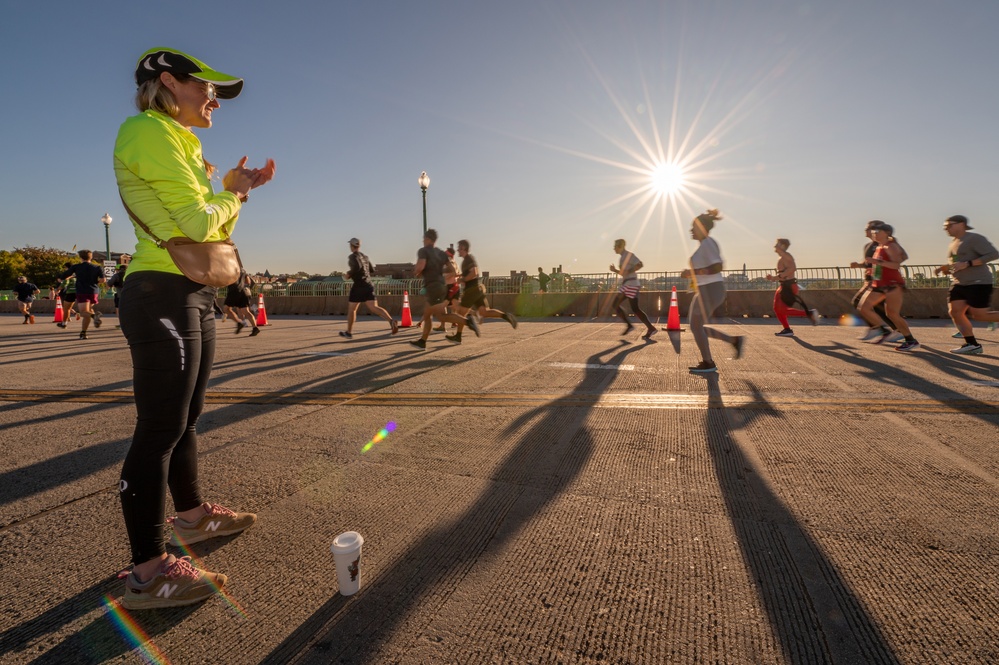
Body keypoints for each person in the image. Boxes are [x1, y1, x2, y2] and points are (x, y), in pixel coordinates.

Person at [114, 47, 276, 610]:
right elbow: (196, 222)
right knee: (160, 427)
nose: (214, 99)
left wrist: (233, 190)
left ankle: (191, 517)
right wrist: (232, 191)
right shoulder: (147, 131)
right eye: (205, 88)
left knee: (186, 416)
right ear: (167, 82)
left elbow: (207, 223)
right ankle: (147, 574)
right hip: (160, 289)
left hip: (191, 289)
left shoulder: (184, 143)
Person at [681, 209, 744, 373]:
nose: (690, 230)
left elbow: (717, 267)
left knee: (696, 326)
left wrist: (692, 273)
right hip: (703, 290)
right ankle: (732, 341)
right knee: (696, 326)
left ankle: (708, 362)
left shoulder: (708, 243)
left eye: (693, 227)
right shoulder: (704, 246)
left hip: (711, 289)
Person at [934, 215, 999, 355]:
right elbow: (957, 264)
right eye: (945, 226)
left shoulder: (974, 238)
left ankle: (972, 344)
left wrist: (968, 264)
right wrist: (945, 268)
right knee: (955, 312)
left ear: (961, 224)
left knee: (980, 316)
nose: (946, 229)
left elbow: (993, 254)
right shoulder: (953, 242)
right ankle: (972, 344)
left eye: (949, 225)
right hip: (959, 283)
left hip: (978, 282)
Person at [410, 229, 477, 349]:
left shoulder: (423, 251)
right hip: (442, 286)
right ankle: (422, 341)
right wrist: (439, 272)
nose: (423, 240)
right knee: (427, 314)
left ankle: (468, 322)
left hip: (432, 287)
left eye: (424, 238)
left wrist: (416, 272)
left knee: (440, 316)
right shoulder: (441, 253)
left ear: (428, 239)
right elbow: (453, 269)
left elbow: (420, 267)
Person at [857, 223, 919, 351]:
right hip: (879, 283)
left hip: (892, 284)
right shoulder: (880, 247)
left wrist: (876, 262)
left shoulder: (891, 246)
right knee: (863, 307)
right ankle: (883, 331)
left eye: (877, 230)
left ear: (886, 232)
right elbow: (882, 265)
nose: (874, 232)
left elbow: (896, 265)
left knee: (892, 314)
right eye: (873, 230)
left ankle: (910, 340)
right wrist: (873, 270)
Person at [446, 239, 517, 344]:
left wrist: (464, 280)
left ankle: (458, 336)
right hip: (477, 289)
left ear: (464, 248)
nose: (458, 250)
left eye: (459, 248)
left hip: (471, 290)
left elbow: (474, 272)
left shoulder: (468, 259)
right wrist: (461, 277)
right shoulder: (469, 259)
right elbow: (473, 273)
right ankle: (506, 316)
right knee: (484, 312)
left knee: (461, 314)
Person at [850, 221, 903, 343]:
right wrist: (858, 265)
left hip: (880, 281)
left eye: (870, 229)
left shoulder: (884, 245)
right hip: (872, 280)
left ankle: (883, 329)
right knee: (878, 308)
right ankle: (888, 330)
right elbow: (869, 262)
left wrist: (875, 276)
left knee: (861, 303)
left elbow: (885, 262)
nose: (867, 231)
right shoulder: (869, 246)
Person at [341, 237, 398, 338]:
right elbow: (371, 269)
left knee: (352, 310)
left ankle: (349, 332)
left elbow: (357, 267)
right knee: (374, 307)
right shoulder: (365, 257)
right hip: (368, 285)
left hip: (358, 286)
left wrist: (348, 275)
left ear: (351, 246)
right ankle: (391, 321)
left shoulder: (352, 257)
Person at [766, 238, 819, 337]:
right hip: (783, 286)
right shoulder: (782, 258)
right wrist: (773, 278)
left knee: (782, 309)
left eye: (777, 244)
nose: (775, 246)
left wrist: (779, 277)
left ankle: (809, 313)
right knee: (777, 309)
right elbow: (784, 273)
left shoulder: (787, 256)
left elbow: (792, 269)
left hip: (789, 286)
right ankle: (787, 329)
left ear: (782, 246)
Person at [609, 239, 656, 339]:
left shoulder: (629, 255)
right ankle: (649, 328)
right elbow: (623, 273)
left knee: (620, 305)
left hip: (631, 284)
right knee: (633, 308)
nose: (614, 249)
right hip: (628, 284)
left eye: (615, 246)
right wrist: (615, 270)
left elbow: (640, 264)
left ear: (620, 246)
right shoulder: (622, 258)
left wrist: (628, 271)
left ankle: (633, 326)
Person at [58, 250, 106, 339]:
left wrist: (61, 279)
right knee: (87, 311)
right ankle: (83, 333)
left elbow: (65, 275)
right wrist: (95, 282)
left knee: (83, 312)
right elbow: (103, 280)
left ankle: (94, 316)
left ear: (80, 257)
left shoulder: (76, 267)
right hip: (94, 291)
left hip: (82, 291)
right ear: (91, 257)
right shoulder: (98, 267)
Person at [433, 246, 460, 333]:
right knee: (454, 306)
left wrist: (444, 279)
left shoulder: (449, 262)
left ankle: (443, 326)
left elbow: (455, 273)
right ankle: (455, 322)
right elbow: (458, 273)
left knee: (441, 306)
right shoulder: (454, 262)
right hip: (454, 286)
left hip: (448, 286)